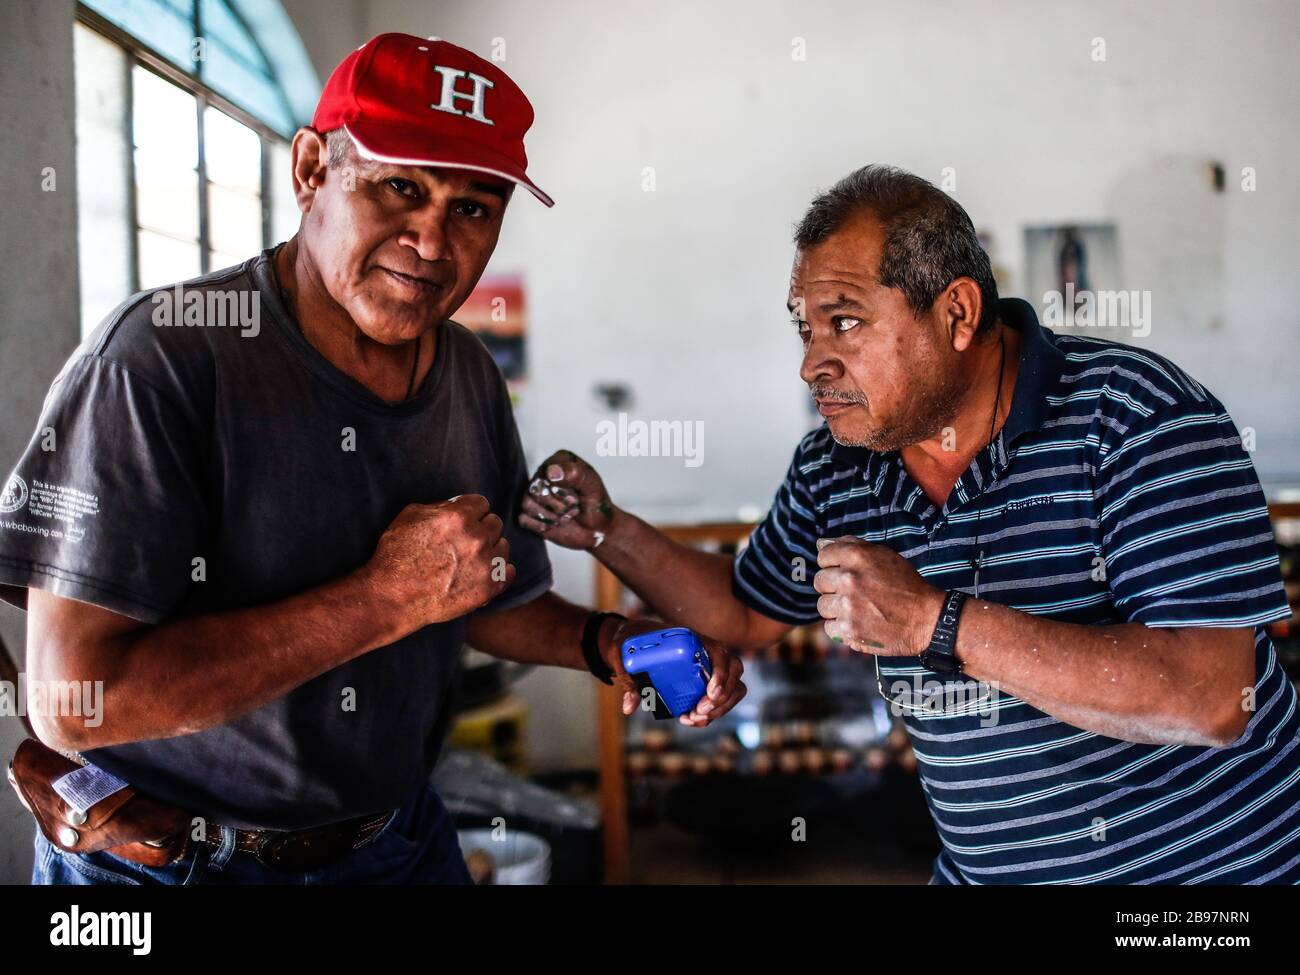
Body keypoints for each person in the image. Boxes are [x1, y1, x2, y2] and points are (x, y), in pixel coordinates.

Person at [0, 32, 745, 886]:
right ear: (312, 169)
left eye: (474, 207)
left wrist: (609, 641)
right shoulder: (162, 359)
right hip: (182, 868)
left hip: (396, 841)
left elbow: (473, 596)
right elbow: (70, 700)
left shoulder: (465, 369)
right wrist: (382, 598)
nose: (432, 243)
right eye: (400, 186)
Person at [522, 165, 1300, 885]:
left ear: (956, 312)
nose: (812, 363)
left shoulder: (1138, 418)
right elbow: (744, 609)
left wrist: (934, 620)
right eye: (806, 328)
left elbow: (1211, 696)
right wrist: (605, 531)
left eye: (846, 321)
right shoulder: (839, 465)